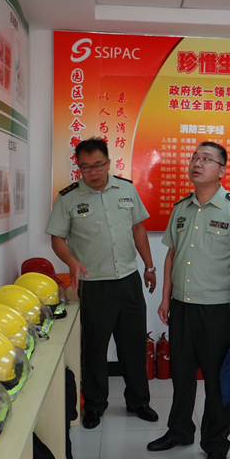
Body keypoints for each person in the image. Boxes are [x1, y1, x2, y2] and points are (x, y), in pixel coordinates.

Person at [147, 142, 230, 459]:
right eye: (195, 158)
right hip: (182, 306)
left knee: (217, 380)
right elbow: (171, 255)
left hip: (218, 309)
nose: (197, 163)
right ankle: (180, 431)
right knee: (181, 375)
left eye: (206, 159)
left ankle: (216, 443)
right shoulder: (181, 208)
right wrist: (165, 298)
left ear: (222, 170)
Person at [46, 137, 159, 429]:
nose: (92, 172)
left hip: (129, 280)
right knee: (94, 348)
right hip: (94, 284)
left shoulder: (126, 189)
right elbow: (57, 238)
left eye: (98, 165)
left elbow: (138, 228)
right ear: (78, 167)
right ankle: (95, 405)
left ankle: (139, 401)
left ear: (108, 163)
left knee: (134, 344)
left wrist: (149, 266)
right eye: (85, 167)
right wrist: (71, 261)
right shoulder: (68, 197)